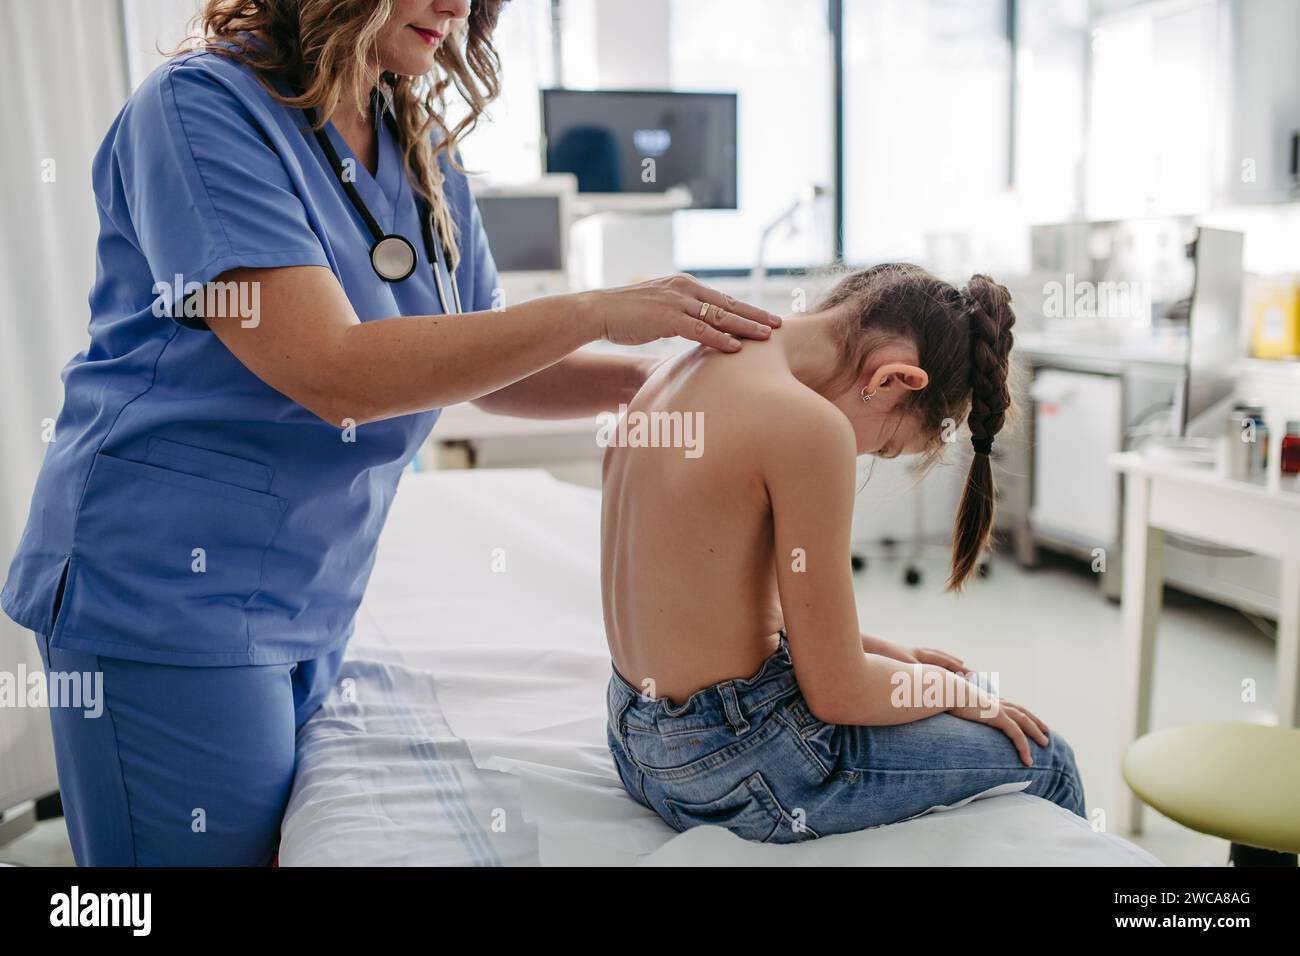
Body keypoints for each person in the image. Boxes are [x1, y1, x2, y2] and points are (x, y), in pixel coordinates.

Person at [0, 0, 780, 865]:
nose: (460, 6)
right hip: (163, 591)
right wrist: (599, 308)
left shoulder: (416, 144)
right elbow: (331, 369)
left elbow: (479, 359)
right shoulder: (203, 108)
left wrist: (669, 388)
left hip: (310, 595)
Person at [602, 263, 1086, 843]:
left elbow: (729, 607)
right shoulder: (807, 426)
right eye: (885, 445)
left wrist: (889, 655)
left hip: (638, 744)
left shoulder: (679, 367)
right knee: (1049, 759)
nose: (864, 456)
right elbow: (838, 691)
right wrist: (957, 694)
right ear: (892, 381)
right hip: (738, 762)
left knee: (944, 685)